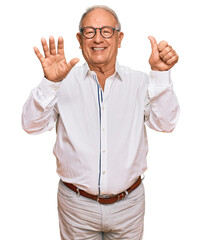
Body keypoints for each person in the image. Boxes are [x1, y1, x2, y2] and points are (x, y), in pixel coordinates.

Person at [22, 5, 180, 240]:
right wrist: (49, 83)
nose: (98, 38)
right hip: (76, 207)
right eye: (89, 32)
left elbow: (165, 124)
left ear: (119, 38)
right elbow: (31, 126)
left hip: (129, 205)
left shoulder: (140, 83)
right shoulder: (62, 82)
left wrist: (160, 74)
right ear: (79, 38)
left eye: (106, 31)